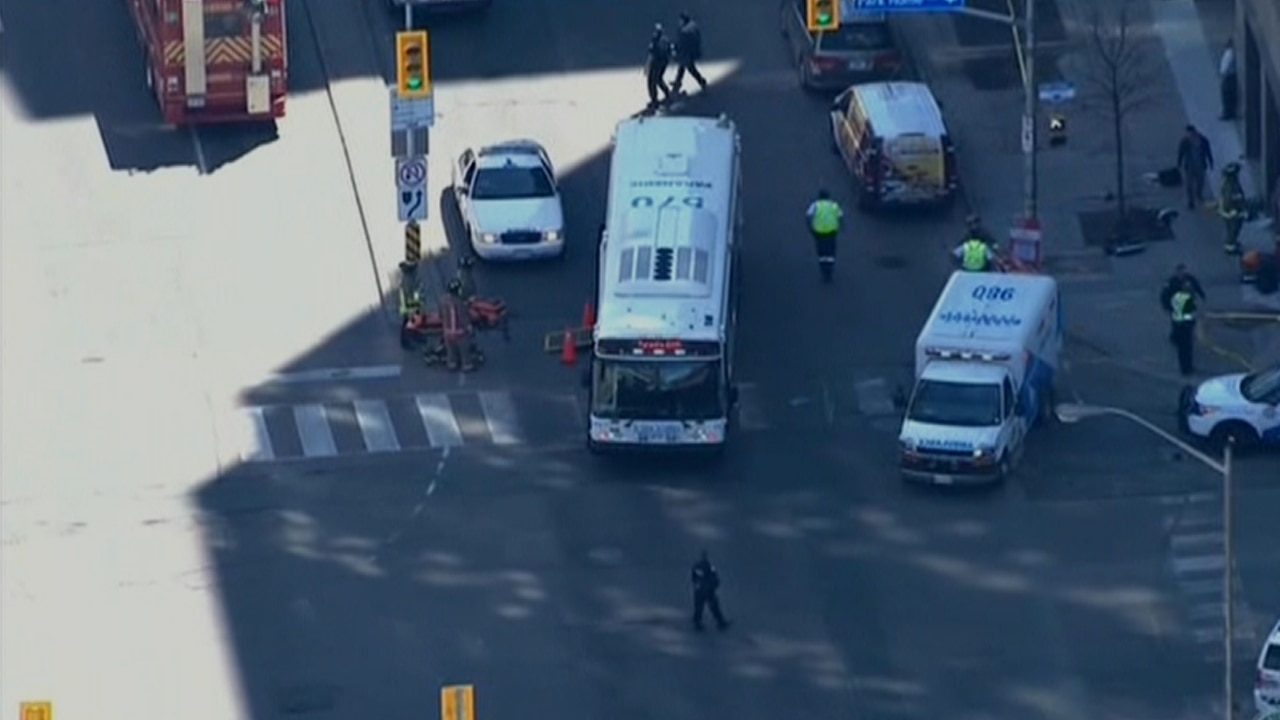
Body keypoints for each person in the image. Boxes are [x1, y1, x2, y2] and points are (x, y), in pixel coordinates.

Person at [806, 189, 843, 283]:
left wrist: (810, 228)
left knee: (821, 252)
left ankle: (823, 271)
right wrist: (839, 227)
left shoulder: (815, 205)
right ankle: (829, 271)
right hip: (831, 232)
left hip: (819, 232)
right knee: (830, 252)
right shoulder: (834, 205)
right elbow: (840, 217)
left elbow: (808, 216)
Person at [440, 279, 476, 372]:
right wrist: (469, 327)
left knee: (451, 351)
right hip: (460, 333)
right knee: (464, 350)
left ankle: (452, 364)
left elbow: (441, 315)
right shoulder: (460, 303)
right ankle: (467, 366)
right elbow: (463, 317)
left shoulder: (444, 302)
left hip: (448, 332)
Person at [690, 550, 730, 632]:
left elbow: (714, 577)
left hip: (708, 590)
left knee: (713, 606)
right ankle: (698, 622)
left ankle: (720, 622)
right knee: (700, 607)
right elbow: (695, 578)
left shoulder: (709, 567)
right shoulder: (699, 567)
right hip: (702, 590)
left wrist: (715, 584)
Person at [1176, 125, 1214, 211]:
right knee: (1189, 184)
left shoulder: (1203, 140)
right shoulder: (1185, 142)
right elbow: (1181, 152)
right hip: (1189, 166)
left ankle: (1198, 194)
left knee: (1200, 182)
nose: (1189, 135)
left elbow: (1208, 152)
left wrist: (1211, 162)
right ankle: (1191, 201)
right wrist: (1179, 162)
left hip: (1200, 165)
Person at [672, 12, 708, 96]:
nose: (678, 22)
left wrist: (675, 50)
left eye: (679, 20)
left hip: (686, 54)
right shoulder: (693, 26)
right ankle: (677, 83)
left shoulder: (683, 32)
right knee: (682, 68)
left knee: (691, 69)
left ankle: (701, 81)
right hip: (692, 52)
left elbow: (681, 44)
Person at [1168, 278, 1198, 376]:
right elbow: (1189, 313)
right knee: (1187, 348)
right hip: (1185, 326)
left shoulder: (1176, 297)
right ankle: (1187, 368)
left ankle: (1183, 368)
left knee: (1181, 350)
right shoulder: (1187, 298)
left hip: (1177, 324)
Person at [1219, 162, 1246, 255]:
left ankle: (1232, 243)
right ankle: (1230, 247)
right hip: (1232, 212)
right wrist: (1233, 210)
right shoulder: (1230, 185)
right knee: (1233, 229)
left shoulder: (1231, 182)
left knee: (1233, 229)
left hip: (1233, 211)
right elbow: (1228, 199)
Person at [645, 25, 673, 111]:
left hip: (656, 64)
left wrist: (647, 67)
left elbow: (651, 55)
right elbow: (670, 51)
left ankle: (654, 100)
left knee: (651, 82)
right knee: (659, 79)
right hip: (664, 64)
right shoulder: (666, 39)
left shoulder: (654, 41)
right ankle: (667, 93)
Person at [1219, 40, 1237, 121]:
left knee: (1226, 94)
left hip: (1228, 76)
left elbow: (1226, 65)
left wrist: (1224, 74)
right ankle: (1228, 112)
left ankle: (1228, 112)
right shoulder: (1229, 52)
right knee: (1227, 95)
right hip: (1227, 75)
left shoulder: (1230, 53)